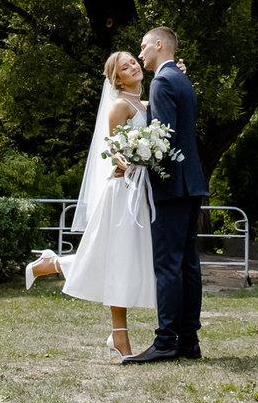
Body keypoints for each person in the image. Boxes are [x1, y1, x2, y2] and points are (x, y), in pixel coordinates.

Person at [20, 51, 157, 358]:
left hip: (142, 192)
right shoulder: (120, 106)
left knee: (124, 260)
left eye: (133, 62)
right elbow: (111, 148)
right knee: (118, 260)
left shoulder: (147, 105)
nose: (133, 66)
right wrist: (124, 160)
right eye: (125, 67)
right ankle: (119, 336)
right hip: (123, 191)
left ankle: (52, 264)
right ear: (116, 79)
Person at [123, 25, 208, 364]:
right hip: (192, 183)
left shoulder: (161, 81)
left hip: (171, 185)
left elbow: (163, 138)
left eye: (144, 48)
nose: (140, 54)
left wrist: (133, 158)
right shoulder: (181, 80)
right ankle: (188, 340)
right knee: (188, 264)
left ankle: (166, 341)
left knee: (169, 265)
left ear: (160, 45)